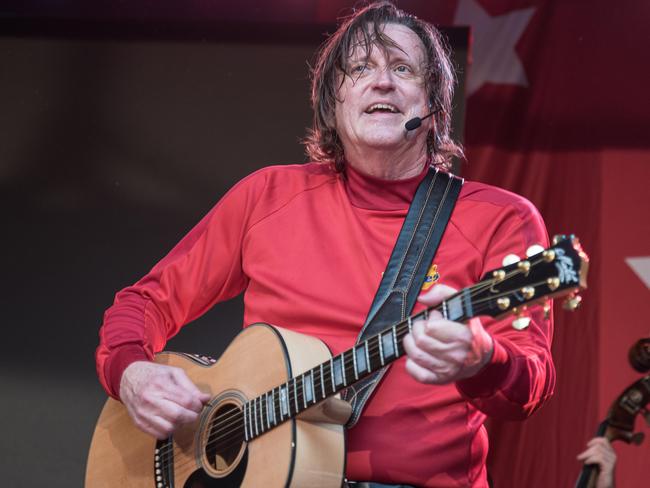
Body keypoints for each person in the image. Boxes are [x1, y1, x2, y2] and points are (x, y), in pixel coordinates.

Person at [95, 2, 555, 486]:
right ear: (331, 102)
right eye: (360, 68)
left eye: (403, 68)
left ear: (433, 104)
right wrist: (131, 374)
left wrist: (484, 361)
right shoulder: (266, 196)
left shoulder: (502, 218)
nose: (382, 82)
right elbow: (142, 303)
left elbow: (530, 389)